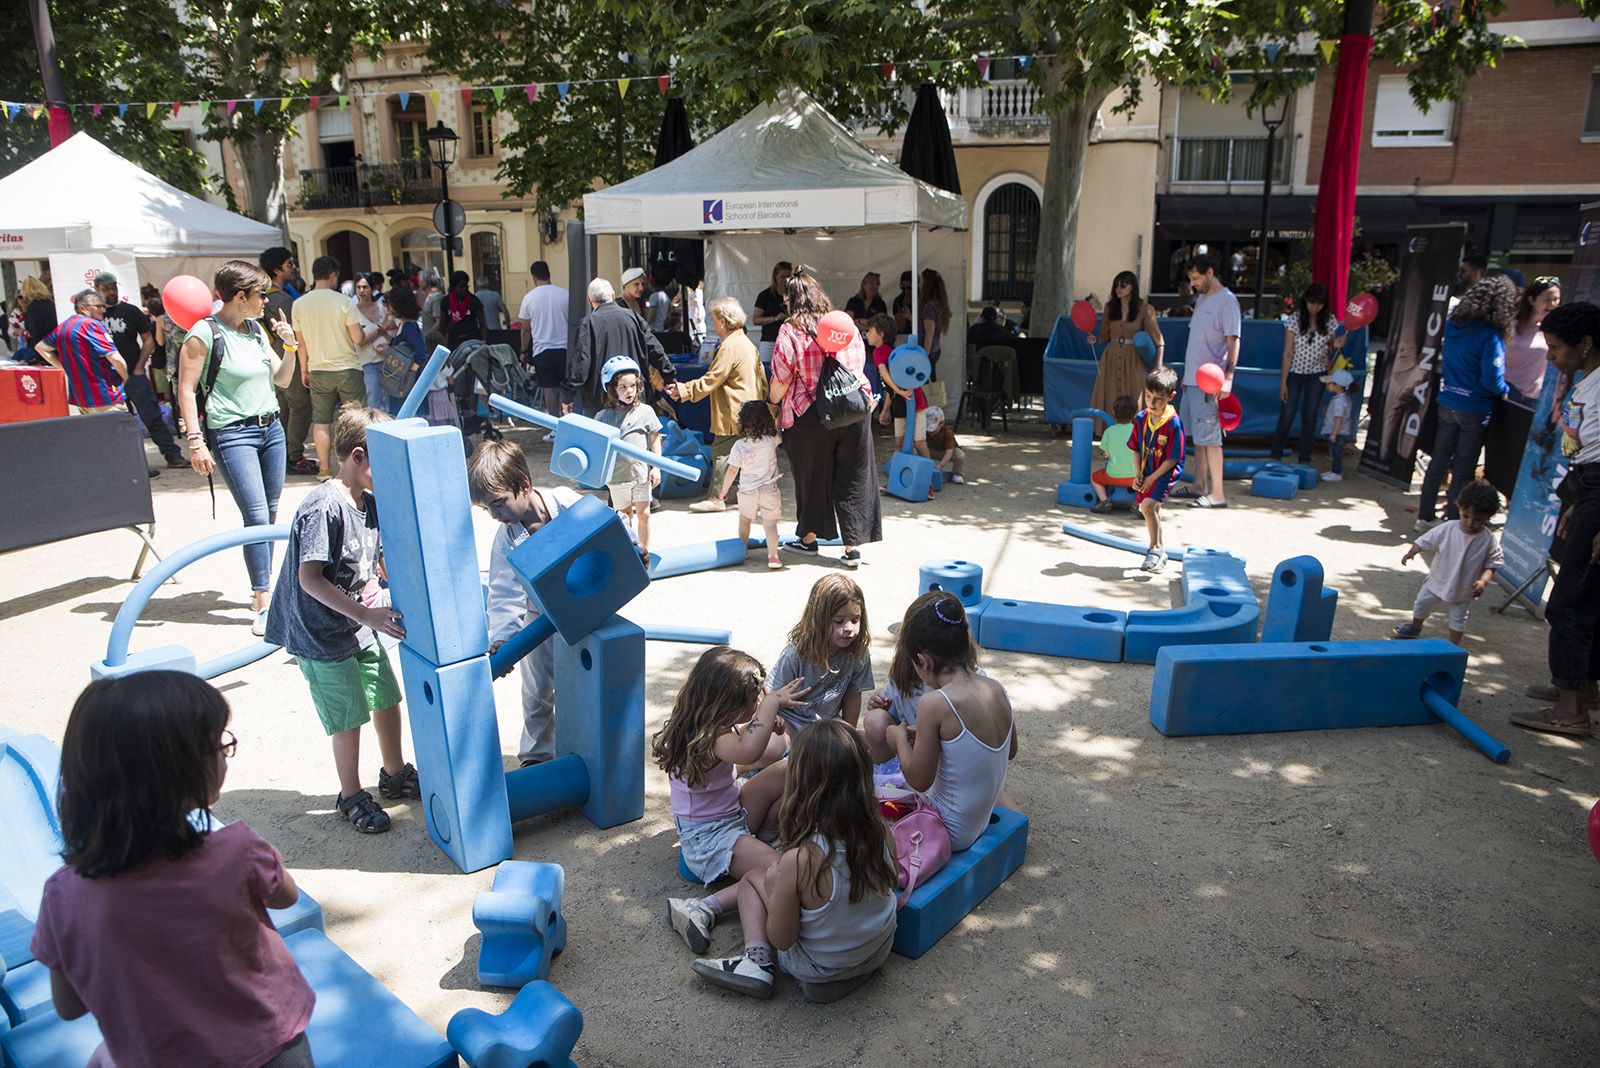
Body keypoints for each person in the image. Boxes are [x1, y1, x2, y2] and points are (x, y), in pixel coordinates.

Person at [29, 672, 316, 1068]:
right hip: (271, 1048)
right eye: (219, 745)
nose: (223, 753)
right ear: (183, 770)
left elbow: (68, 1006)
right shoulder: (238, 849)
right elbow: (287, 897)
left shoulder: (63, 895)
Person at [264, 405, 420, 834]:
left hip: (356, 625)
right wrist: (366, 612)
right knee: (348, 715)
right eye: (382, 464)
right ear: (357, 456)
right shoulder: (324, 506)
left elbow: (372, 553)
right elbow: (310, 579)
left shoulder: (368, 502)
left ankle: (394, 773)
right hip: (319, 632)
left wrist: (381, 571)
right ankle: (350, 793)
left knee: (385, 696)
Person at [689, 718, 897, 1000]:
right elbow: (891, 880)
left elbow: (782, 938)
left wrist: (775, 892)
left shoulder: (800, 861)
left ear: (801, 786)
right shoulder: (880, 829)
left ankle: (755, 961)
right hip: (877, 951)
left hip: (819, 967)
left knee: (752, 880)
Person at [176, 262, 302, 631]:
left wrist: (290, 343)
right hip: (233, 433)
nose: (267, 300)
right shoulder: (203, 334)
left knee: (271, 512)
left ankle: (266, 591)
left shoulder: (255, 329)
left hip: (271, 429)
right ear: (240, 297)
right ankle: (263, 596)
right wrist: (196, 441)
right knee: (257, 516)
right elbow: (185, 389)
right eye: (261, 294)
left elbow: (282, 378)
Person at [658, 647, 808, 948]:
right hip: (709, 838)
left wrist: (767, 722)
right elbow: (748, 751)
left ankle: (759, 841)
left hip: (731, 813)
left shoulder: (712, 722)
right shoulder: (711, 737)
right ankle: (701, 907)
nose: (758, 703)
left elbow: (753, 742)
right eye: (753, 701)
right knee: (777, 870)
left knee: (789, 769)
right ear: (726, 705)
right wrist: (771, 706)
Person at [1511, 301, 1600, 737]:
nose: (1551, 357)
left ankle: (1571, 709)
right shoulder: (1588, 381)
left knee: (1570, 602)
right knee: (1588, 595)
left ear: (1585, 344)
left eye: (1558, 348)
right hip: (1588, 489)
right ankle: (1582, 686)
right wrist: (1575, 501)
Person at [469, 439, 583, 766]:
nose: (494, 514)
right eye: (487, 508)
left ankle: (584, 749)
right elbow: (504, 593)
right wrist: (503, 640)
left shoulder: (564, 501)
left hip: (584, 610)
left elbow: (606, 522)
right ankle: (536, 755)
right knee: (537, 692)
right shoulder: (507, 539)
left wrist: (632, 545)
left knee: (584, 683)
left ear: (524, 485)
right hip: (539, 619)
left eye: (499, 503)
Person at [883, 592, 1017, 852]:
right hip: (980, 820)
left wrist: (899, 740)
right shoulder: (996, 687)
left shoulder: (935, 704)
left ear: (924, 661)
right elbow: (1010, 751)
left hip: (947, 831)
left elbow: (919, 780)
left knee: (863, 807)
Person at [769, 269, 881, 568]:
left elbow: (780, 381)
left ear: (789, 300)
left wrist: (772, 401)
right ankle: (852, 547)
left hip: (810, 415)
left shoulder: (790, 331)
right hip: (853, 410)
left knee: (812, 478)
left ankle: (808, 539)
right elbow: (859, 364)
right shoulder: (845, 324)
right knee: (854, 476)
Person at [1415, 276, 1515, 531]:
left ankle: (1424, 516)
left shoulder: (1453, 326)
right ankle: (1453, 521)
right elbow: (1492, 380)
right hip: (1475, 407)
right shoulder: (1490, 336)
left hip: (1448, 401)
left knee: (1438, 461)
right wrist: (1506, 389)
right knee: (1463, 467)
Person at [670, 296, 768, 513]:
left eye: (714, 320)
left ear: (724, 321)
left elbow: (712, 379)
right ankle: (757, 497)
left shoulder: (729, 346)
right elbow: (762, 378)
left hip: (734, 411)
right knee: (750, 455)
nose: (713, 325)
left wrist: (683, 390)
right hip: (751, 409)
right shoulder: (746, 343)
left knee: (722, 453)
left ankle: (717, 498)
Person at [1393, 479, 1504, 646]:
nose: (1470, 523)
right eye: (1466, 516)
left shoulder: (1487, 539)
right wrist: (1413, 551)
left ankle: (1453, 647)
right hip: (1437, 580)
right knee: (1421, 604)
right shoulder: (1448, 528)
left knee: (1458, 618)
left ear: (1489, 517)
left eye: (1478, 519)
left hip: (1464, 588)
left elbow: (1492, 563)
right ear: (1459, 507)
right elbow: (1426, 540)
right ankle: (1416, 627)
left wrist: (1483, 581)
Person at [95, 272, 186, 469]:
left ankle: (172, 454)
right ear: (97, 290)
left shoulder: (130, 311)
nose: (111, 292)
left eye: (113, 287)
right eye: (106, 289)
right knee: (114, 421)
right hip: (107, 377)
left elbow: (148, 340)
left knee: (151, 414)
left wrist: (138, 367)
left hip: (133, 374)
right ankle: (125, 463)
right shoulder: (95, 316)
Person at [292, 256, 368, 477]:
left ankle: (324, 468)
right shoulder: (344, 302)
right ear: (333, 275)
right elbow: (358, 337)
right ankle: (356, 467)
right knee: (356, 419)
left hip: (317, 369)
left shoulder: (299, 304)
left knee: (321, 422)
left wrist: (304, 370)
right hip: (347, 368)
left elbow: (300, 343)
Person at [1178, 255, 1241, 508]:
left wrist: (1228, 378)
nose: (1193, 283)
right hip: (1193, 379)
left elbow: (1232, 341)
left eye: (1196, 277)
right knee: (1198, 436)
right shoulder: (1203, 298)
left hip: (1209, 381)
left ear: (1210, 272)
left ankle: (1218, 493)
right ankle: (1199, 484)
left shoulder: (1226, 301)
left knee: (1211, 437)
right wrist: (1186, 376)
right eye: (1191, 278)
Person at [565, 278, 674, 417]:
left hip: (601, 402)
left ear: (589, 301)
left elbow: (581, 364)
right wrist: (670, 378)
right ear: (612, 296)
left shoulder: (588, 324)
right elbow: (656, 351)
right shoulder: (633, 317)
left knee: (603, 438)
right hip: (634, 397)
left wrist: (567, 395)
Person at [1270, 282, 1344, 469]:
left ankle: (1305, 457)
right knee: (1287, 414)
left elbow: (1332, 346)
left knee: (1310, 416)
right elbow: (1287, 352)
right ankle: (1276, 455)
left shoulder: (1329, 321)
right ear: (1306, 301)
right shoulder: (1295, 319)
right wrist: (1283, 382)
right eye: (1312, 302)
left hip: (1317, 374)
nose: (1314, 307)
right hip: (1295, 372)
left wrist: (1338, 344)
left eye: (1319, 303)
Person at [596, 357, 662, 561]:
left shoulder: (646, 412)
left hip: (641, 474)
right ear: (612, 389)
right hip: (617, 478)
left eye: (633, 385)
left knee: (645, 514)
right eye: (622, 387)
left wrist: (656, 467)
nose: (629, 391)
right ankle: (629, 555)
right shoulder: (604, 416)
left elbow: (655, 439)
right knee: (625, 518)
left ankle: (644, 553)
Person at [261, 247, 317, 475]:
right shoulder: (282, 298)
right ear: (277, 269)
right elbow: (297, 333)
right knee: (300, 405)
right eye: (289, 264)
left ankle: (283, 453)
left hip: (272, 356)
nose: (293, 268)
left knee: (283, 406)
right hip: (285, 355)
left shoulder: (268, 296)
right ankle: (294, 455)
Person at [712, 400, 785, 570]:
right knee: (770, 524)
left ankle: (742, 550)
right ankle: (773, 556)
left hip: (747, 491)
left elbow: (732, 470)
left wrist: (723, 491)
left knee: (745, 521)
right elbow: (779, 426)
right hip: (769, 489)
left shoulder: (739, 446)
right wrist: (778, 413)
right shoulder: (771, 439)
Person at [1088, 270, 1164, 425]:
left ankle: (1135, 433)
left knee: (1135, 393)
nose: (1119, 288)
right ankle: (1110, 431)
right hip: (1112, 356)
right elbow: (1105, 335)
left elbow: (1159, 340)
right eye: (1116, 285)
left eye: (1123, 285)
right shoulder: (1110, 307)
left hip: (1133, 358)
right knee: (1110, 394)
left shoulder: (1145, 309)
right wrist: (1095, 339)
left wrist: (1158, 365)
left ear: (1132, 288)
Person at [35, 289, 129, 415]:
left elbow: (41, 347)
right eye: (98, 306)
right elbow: (115, 358)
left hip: (82, 398)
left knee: (94, 434)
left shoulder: (63, 327)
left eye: (103, 306)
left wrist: (63, 367)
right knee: (118, 433)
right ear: (81, 308)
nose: (103, 310)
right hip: (105, 396)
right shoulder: (92, 325)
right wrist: (125, 376)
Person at [1133, 366, 1186, 574]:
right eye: (1148, 396)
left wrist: (1151, 478)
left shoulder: (1174, 423)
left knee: (1146, 507)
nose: (1152, 403)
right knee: (1151, 509)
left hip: (1164, 472)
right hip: (1148, 470)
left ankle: (1155, 549)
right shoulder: (1141, 418)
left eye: (1158, 399)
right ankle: (1160, 551)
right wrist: (1138, 473)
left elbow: (1173, 459)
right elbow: (1135, 448)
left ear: (1171, 397)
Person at [870, 313, 929, 459]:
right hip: (901, 400)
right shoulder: (888, 350)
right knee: (904, 443)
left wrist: (899, 391)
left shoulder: (879, 351)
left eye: (870, 331)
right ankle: (900, 478)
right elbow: (890, 387)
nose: (867, 334)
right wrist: (886, 408)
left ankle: (926, 475)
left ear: (880, 334)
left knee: (917, 442)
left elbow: (884, 373)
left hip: (912, 399)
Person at [517, 260, 569, 425]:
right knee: (564, 388)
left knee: (548, 390)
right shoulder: (565, 294)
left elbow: (525, 329)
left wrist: (523, 350)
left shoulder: (529, 298)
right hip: (564, 347)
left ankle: (554, 426)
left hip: (542, 349)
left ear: (533, 277)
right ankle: (568, 421)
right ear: (549, 273)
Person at [1505, 277, 1561, 406]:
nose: (1552, 304)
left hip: (1534, 397)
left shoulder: (1555, 331)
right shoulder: (1510, 325)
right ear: (1531, 300)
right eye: (1547, 300)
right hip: (1506, 392)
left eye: (1556, 299)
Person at [353, 272, 398, 410]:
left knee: (391, 402)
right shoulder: (352, 311)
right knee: (373, 403)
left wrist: (386, 329)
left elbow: (395, 331)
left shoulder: (383, 308)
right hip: (368, 363)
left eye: (365, 287)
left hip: (389, 360)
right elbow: (358, 340)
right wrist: (380, 330)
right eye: (358, 287)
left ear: (372, 288)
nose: (361, 291)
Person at [1090, 394, 1139, 512]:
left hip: (1112, 476)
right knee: (1151, 480)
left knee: (1094, 477)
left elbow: (1106, 454)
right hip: (1136, 478)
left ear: (1113, 413)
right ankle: (1139, 504)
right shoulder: (1138, 431)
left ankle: (1104, 501)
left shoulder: (1109, 431)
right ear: (1136, 414)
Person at [1319, 368, 1355, 482]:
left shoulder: (1340, 401)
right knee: (1334, 452)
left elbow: (1339, 419)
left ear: (1338, 385)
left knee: (1336, 453)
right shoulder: (1341, 399)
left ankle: (1336, 472)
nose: (1328, 385)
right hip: (1338, 431)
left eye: (1330, 383)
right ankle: (1334, 471)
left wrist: (1334, 433)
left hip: (1337, 432)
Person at [752, 261, 793, 360]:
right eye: (782, 276)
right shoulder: (765, 295)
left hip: (791, 341)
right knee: (766, 371)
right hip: (769, 342)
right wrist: (775, 318)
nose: (786, 280)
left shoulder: (795, 295)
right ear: (775, 277)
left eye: (788, 277)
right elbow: (756, 320)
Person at [919, 268, 952, 380]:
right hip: (935, 349)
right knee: (931, 382)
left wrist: (924, 355)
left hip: (929, 350)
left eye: (921, 281)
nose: (919, 284)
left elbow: (929, 333)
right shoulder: (938, 304)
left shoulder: (929, 306)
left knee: (926, 384)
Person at [442, 271, 487, 350]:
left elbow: (482, 324)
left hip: (472, 341)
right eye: (461, 286)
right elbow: (443, 325)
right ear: (454, 287)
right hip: (454, 342)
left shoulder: (474, 300)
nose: (465, 289)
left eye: (466, 286)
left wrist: (484, 341)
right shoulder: (446, 301)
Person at [923, 405, 965, 485]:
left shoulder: (947, 432)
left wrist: (940, 465)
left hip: (947, 451)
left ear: (941, 423)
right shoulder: (924, 431)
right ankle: (923, 469)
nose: (930, 432)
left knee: (960, 455)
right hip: (931, 450)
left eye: (932, 429)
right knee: (918, 449)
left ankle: (957, 473)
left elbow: (949, 452)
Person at [20, 274, 57, 364]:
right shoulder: (50, 303)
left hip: (44, 349)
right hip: (55, 344)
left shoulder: (34, 306)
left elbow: (35, 331)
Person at [418, 269, 444, 338]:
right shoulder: (429, 297)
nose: (419, 283)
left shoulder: (435, 298)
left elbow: (438, 321)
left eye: (420, 281)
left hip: (433, 339)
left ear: (426, 282)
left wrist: (428, 335)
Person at [891, 270, 914, 336]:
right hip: (903, 336)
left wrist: (911, 318)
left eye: (909, 288)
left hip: (918, 335)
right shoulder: (898, 300)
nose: (906, 291)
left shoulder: (921, 299)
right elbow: (900, 327)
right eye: (903, 288)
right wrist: (904, 304)